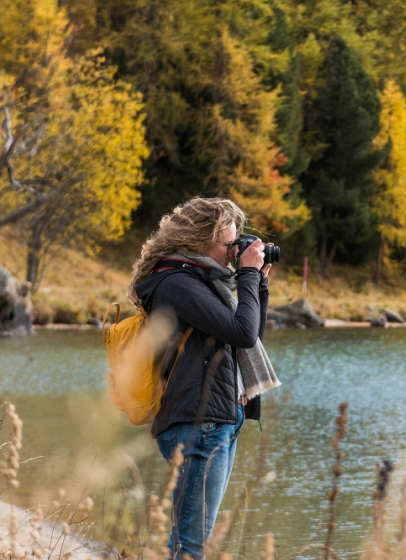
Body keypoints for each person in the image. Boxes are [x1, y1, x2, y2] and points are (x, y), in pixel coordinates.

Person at [126, 197, 280, 559]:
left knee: (197, 539)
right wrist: (246, 274)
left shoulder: (202, 280)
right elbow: (242, 334)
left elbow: (248, 334)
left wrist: (256, 285)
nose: (233, 251)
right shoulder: (177, 283)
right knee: (191, 544)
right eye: (228, 244)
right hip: (198, 422)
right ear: (198, 241)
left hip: (220, 417)